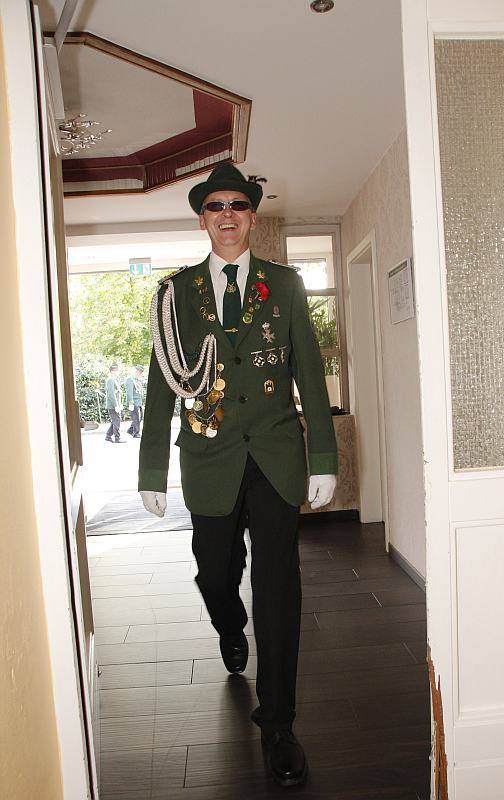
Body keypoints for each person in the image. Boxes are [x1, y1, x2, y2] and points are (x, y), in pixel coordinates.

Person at [138, 163, 337, 787]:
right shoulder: (176, 294)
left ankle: (278, 724)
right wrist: (151, 469)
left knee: (280, 590)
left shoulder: (286, 284)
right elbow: (161, 382)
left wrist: (323, 458)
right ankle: (229, 625)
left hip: (275, 458)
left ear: (252, 217)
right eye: (215, 206)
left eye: (238, 205)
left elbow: (310, 374)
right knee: (216, 572)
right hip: (209, 459)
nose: (227, 214)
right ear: (203, 219)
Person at [104, 363, 124, 443]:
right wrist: (116, 405)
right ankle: (117, 438)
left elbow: (117, 394)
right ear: (112, 371)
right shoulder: (110, 380)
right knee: (117, 421)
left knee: (115, 421)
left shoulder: (114, 380)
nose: (118, 372)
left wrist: (119, 404)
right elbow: (111, 394)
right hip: (112, 405)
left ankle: (108, 436)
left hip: (115, 404)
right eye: (117, 371)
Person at [125, 365, 144, 438]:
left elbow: (139, 392)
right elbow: (129, 393)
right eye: (138, 371)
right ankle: (136, 433)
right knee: (136, 418)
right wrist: (131, 403)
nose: (139, 373)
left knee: (140, 417)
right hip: (133, 402)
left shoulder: (138, 380)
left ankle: (131, 430)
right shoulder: (130, 379)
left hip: (139, 402)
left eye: (140, 372)